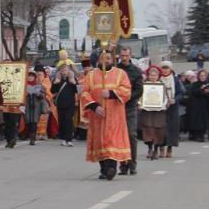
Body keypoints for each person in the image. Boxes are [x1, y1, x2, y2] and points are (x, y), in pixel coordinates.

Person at [80, 51, 132, 181]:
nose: (106, 60)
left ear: (112, 60)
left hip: (115, 116)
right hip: (97, 116)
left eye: (108, 58)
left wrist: (111, 93)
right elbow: (84, 92)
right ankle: (103, 169)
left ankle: (111, 168)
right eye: (103, 58)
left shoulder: (120, 74)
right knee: (99, 141)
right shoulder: (91, 75)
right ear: (99, 60)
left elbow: (127, 91)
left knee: (111, 141)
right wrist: (94, 106)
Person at [116, 46, 143, 175]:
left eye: (127, 55)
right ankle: (122, 165)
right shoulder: (116, 69)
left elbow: (139, 90)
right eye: (122, 55)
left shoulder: (136, 71)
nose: (124, 58)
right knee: (119, 136)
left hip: (130, 106)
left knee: (131, 134)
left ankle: (132, 164)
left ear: (130, 55)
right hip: (117, 106)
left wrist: (127, 97)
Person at [141, 66, 167, 160]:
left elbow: (165, 98)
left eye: (155, 75)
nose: (153, 77)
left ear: (158, 76)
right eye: (151, 75)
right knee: (148, 130)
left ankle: (156, 149)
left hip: (159, 112)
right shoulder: (144, 85)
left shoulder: (162, 86)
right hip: (147, 111)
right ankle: (150, 148)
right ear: (148, 76)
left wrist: (162, 105)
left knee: (158, 131)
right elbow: (141, 97)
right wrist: (140, 104)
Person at [159, 61, 184, 158]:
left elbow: (181, 93)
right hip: (161, 108)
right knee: (161, 128)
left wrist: (175, 99)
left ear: (170, 69)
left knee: (172, 128)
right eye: (163, 68)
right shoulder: (158, 79)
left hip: (173, 107)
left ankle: (170, 147)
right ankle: (161, 147)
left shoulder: (175, 80)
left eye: (167, 68)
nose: (165, 70)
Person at [52, 64, 78, 147]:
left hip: (70, 103)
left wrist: (73, 83)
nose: (64, 72)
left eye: (66, 70)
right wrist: (55, 83)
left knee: (68, 120)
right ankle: (63, 138)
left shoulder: (72, 79)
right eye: (62, 70)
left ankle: (69, 139)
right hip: (60, 103)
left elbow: (77, 90)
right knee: (62, 121)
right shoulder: (57, 79)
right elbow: (52, 91)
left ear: (69, 71)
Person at [187, 70, 209, 143]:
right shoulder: (196, 84)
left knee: (206, 121)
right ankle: (199, 136)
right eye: (201, 76)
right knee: (199, 121)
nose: (203, 77)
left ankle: (205, 135)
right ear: (199, 76)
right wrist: (201, 89)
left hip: (208, 104)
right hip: (198, 105)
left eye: (204, 75)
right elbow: (194, 92)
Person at [24, 72, 45, 146]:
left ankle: (32, 139)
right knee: (28, 122)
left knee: (34, 122)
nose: (30, 78)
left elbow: (43, 95)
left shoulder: (38, 85)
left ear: (34, 78)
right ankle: (30, 136)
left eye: (32, 76)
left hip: (36, 106)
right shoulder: (24, 85)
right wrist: (25, 94)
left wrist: (38, 94)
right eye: (29, 76)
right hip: (27, 106)